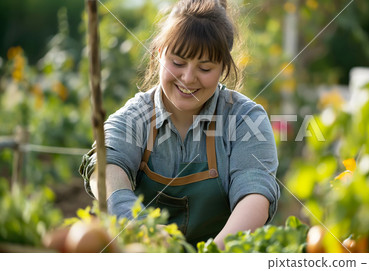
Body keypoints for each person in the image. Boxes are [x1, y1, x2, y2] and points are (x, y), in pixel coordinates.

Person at [79, 0, 279, 249]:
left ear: (223, 69)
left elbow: (255, 195)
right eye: (178, 63)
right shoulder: (137, 115)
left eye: (205, 67)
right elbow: (105, 165)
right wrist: (138, 224)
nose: (188, 78)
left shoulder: (245, 120)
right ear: (158, 54)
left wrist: (214, 255)